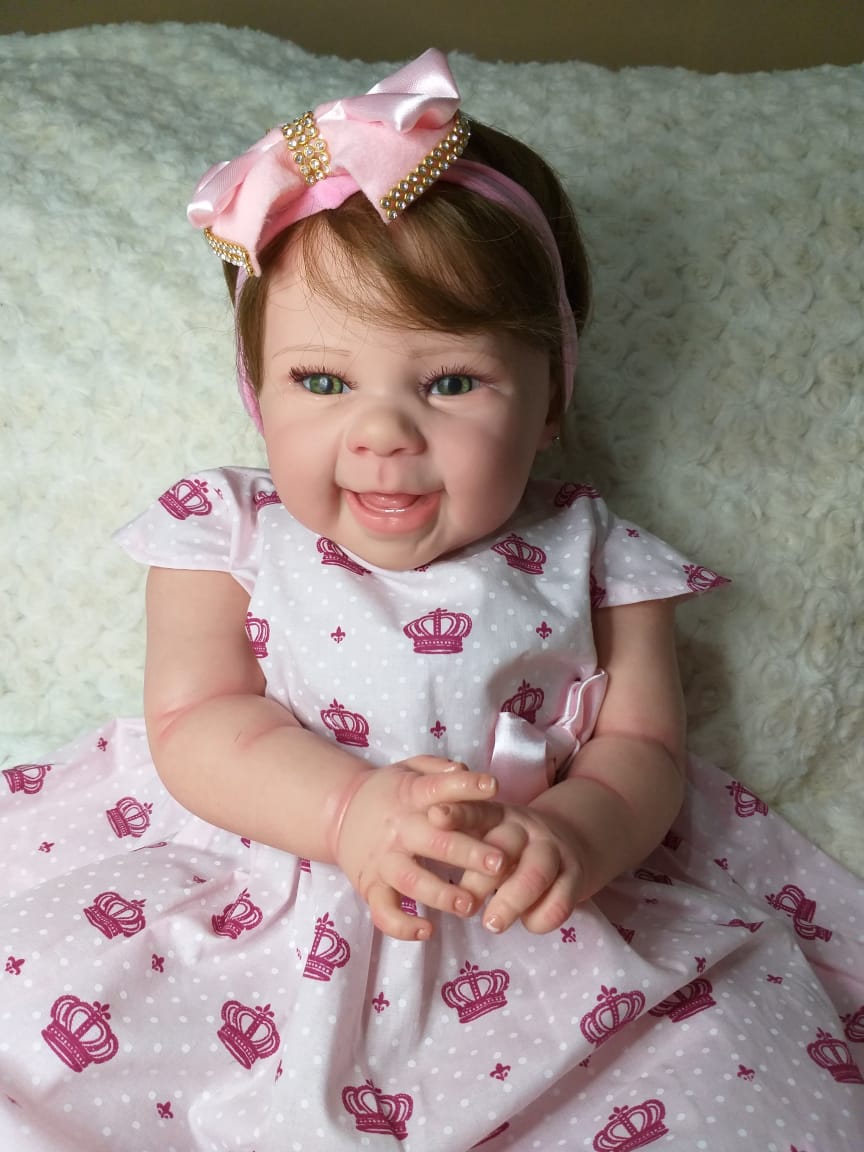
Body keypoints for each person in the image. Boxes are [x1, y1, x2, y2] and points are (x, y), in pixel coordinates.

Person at [1, 48, 861, 1152]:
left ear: (549, 402)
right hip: (263, 884)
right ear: (256, 393)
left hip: (527, 912)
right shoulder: (228, 534)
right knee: (49, 1031)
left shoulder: (600, 556)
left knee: (722, 1087)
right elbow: (196, 719)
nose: (382, 432)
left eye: (450, 382)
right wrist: (347, 815)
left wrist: (578, 834)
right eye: (322, 381)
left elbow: (645, 749)